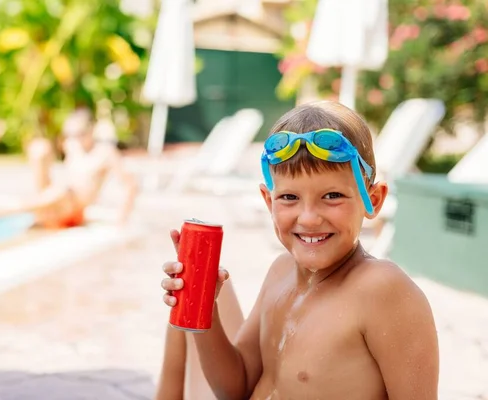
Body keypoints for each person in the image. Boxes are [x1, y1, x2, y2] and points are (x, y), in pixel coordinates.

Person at [158, 101, 439, 399]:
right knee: (191, 291)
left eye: (332, 196)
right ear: (269, 201)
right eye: (290, 197)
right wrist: (204, 309)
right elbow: (235, 389)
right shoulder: (280, 272)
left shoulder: (383, 291)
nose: (308, 218)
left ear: (373, 200)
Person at [0, 107, 139, 228]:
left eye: (80, 133)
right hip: (57, 200)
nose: (75, 138)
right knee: (39, 148)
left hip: (73, 210)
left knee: (62, 191)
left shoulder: (105, 152)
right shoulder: (72, 145)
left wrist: (121, 218)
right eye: (70, 134)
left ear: (91, 130)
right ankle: (38, 212)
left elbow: (131, 185)